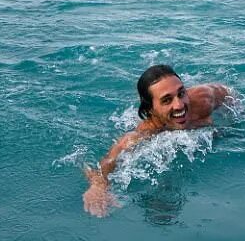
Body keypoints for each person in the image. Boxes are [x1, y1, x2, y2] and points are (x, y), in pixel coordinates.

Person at [82, 64, 231, 217]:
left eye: (181, 93)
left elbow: (229, 94)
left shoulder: (203, 100)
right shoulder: (141, 136)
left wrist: (231, 124)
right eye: (167, 100)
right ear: (150, 110)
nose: (180, 105)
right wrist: (98, 187)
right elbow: (104, 166)